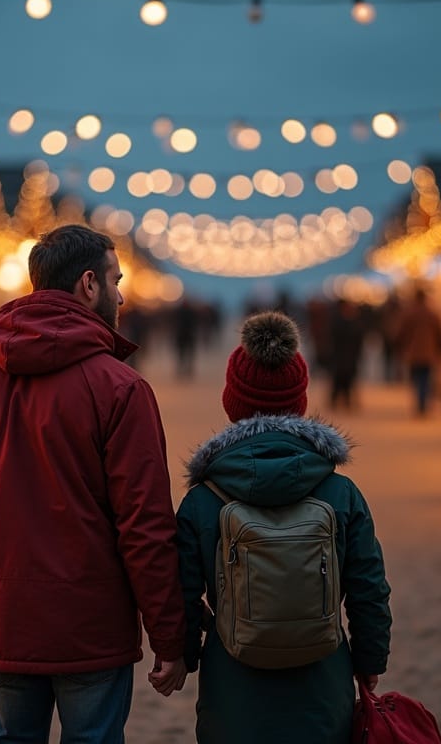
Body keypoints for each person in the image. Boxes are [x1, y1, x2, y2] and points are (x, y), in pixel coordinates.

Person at [0, 224, 187, 743]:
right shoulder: (121, 389)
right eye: (116, 278)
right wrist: (168, 637)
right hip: (91, 625)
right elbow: (145, 525)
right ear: (89, 284)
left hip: (0, 617)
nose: (122, 293)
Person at [176, 311, 392, 744]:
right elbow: (368, 587)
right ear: (300, 399)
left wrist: (184, 656)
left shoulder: (203, 500)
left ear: (231, 402)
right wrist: (370, 661)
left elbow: (179, 593)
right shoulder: (340, 493)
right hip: (322, 680)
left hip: (233, 686)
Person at [397, 288, 441, 417]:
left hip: (413, 353)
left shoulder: (409, 313)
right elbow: (440, 333)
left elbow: (401, 333)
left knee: (416, 379)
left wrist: (401, 347)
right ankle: (423, 403)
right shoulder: (432, 313)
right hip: (429, 353)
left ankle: (420, 402)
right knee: (426, 379)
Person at [326, 299, 365, 411]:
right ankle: (335, 401)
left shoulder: (354, 322)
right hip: (340, 355)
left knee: (348, 379)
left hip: (350, 355)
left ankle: (347, 401)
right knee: (338, 379)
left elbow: (359, 339)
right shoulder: (338, 321)